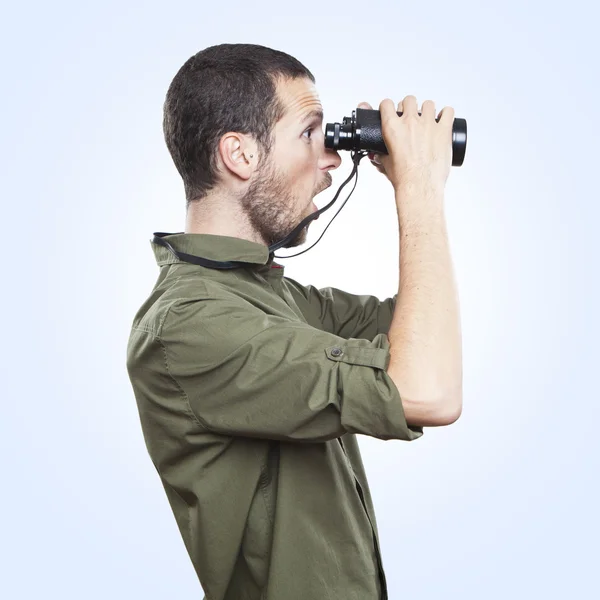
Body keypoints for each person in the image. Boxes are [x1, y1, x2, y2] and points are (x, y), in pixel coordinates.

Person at [126, 43, 462, 600]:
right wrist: (420, 188)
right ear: (240, 155)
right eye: (310, 133)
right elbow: (428, 390)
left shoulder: (274, 298)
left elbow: (430, 333)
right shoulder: (193, 324)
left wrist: (411, 169)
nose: (330, 156)